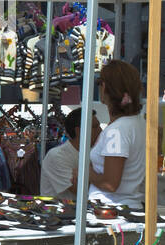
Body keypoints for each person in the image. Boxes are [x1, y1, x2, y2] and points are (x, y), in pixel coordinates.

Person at [88, 59, 148, 207]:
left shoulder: (117, 130)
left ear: (107, 87)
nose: (99, 87)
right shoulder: (137, 122)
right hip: (124, 208)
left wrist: (86, 173)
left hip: (111, 211)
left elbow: (110, 184)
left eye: (99, 82)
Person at [40, 107, 99, 200]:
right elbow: (80, 190)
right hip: (59, 213)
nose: (101, 131)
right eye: (95, 127)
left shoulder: (94, 153)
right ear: (79, 131)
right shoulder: (57, 156)